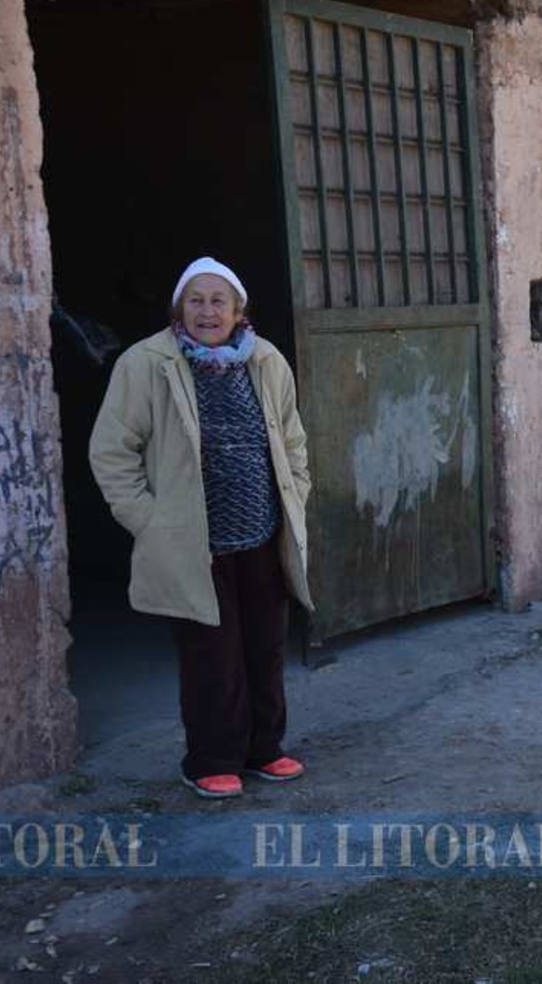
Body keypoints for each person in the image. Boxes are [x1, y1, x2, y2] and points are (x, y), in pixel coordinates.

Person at [90, 257, 313, 799]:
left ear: (239, 311)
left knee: (264, 644)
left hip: (262, 532)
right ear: (178, 309)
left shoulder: (266, 360)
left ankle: (265, 749)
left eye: (218, 301)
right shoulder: (147, 363)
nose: (207, 311)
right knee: (210, 653)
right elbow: (112, 452)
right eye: (195, 300)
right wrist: (149, 522)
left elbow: (292, 439)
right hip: (191, 541)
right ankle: (211, 758)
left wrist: (297, 491)